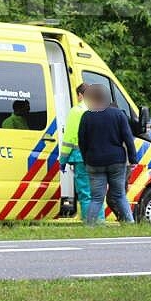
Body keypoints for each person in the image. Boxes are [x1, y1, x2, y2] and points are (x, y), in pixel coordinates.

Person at [77, 84, 136, 225]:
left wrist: (86, 159)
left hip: (94, 162)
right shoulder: (118, 114)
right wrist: (133, 159)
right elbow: (128, 138)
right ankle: (130, 223)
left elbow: (82, 141)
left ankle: (89, 226)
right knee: (119, 194)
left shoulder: (86, 116)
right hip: (116, 161)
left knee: (96, 198)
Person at [59, 83, 94, 219]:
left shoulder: (76, 111)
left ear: (80, 95)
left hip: (81, 158)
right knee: (97, 194)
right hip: (98, 159)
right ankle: (100, 221)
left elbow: (69, 139)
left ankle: (89, 222)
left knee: (85, 192)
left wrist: (63, 160)